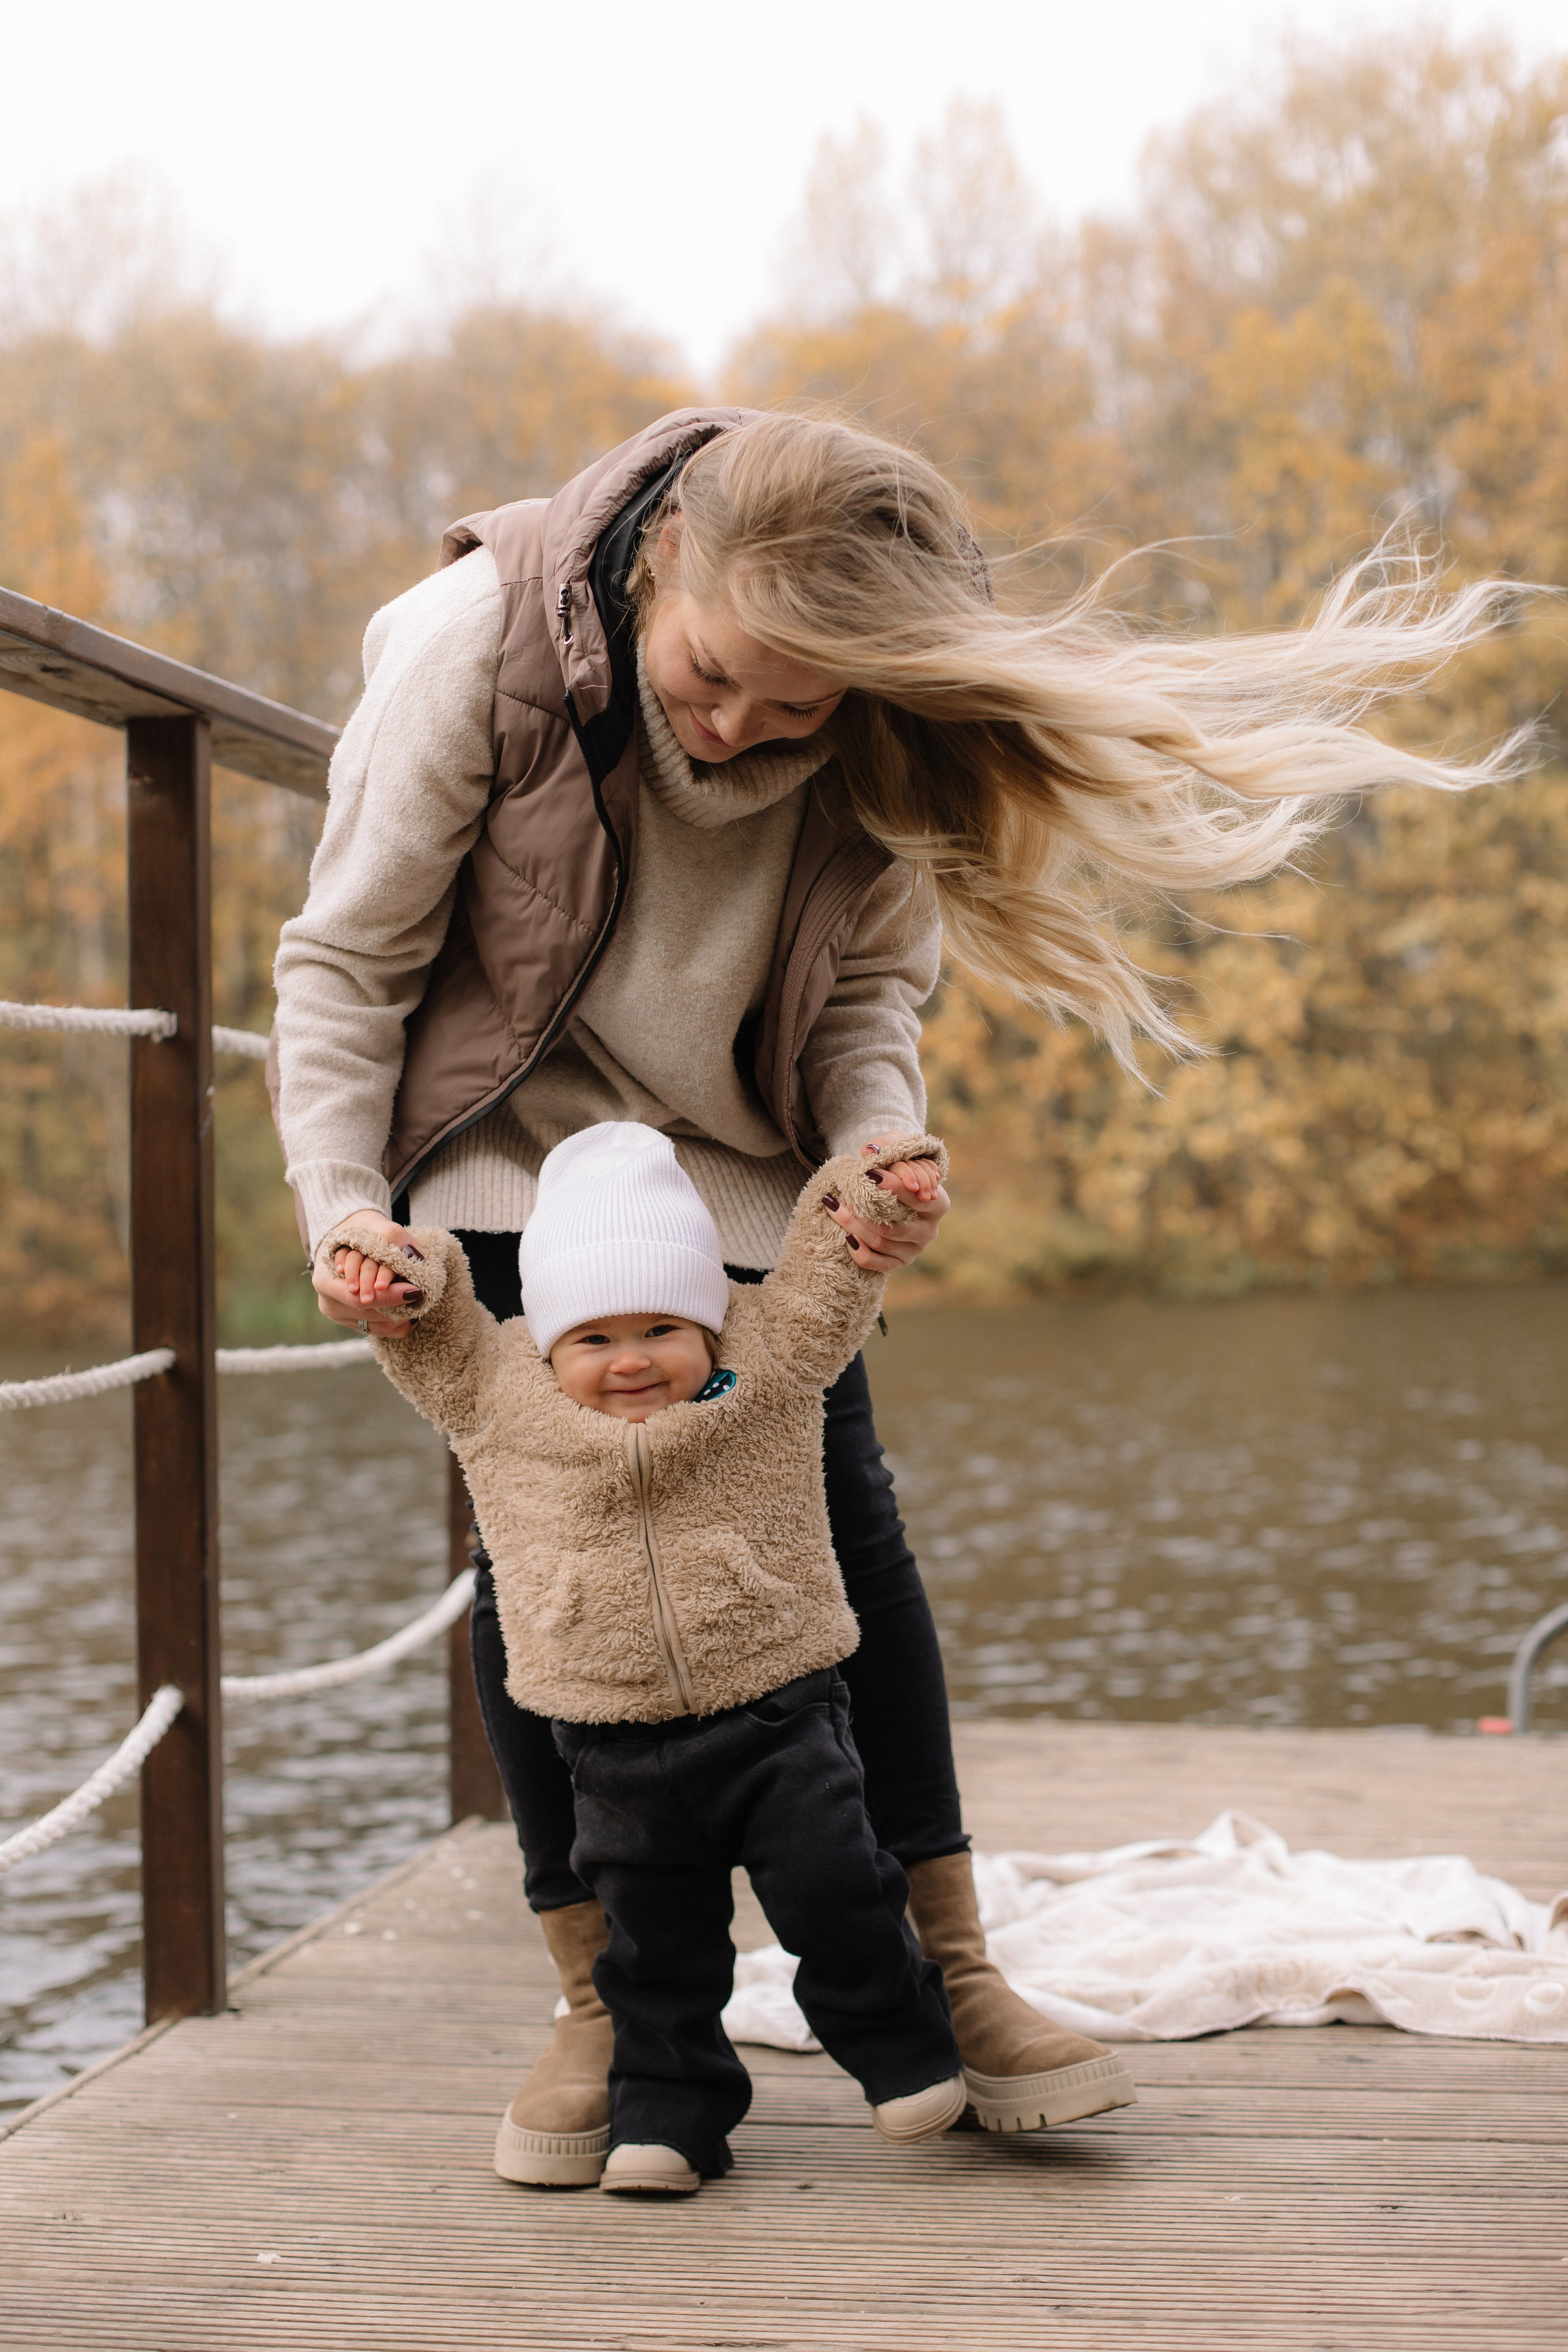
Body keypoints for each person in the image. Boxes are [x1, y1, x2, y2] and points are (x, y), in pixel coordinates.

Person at [272, 404, 1519, 2182]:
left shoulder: (884, 718)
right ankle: (607, 2009)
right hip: (509, 1163)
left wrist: (881, 1147)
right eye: (715, 677)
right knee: (537, 1557)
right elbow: (348, 961)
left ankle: (950, 1970)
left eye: (799, 708)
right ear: (665, 563)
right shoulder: (469, 650)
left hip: (756, 1171)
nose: (740, 729)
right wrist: (339, 1202)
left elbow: (865, 1008)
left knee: (848, 1532)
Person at [336, 1119, 1096, 2195]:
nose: (633, 1359)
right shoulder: (505, 1399)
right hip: (611, 1744)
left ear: (712, 1318)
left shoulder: (766, 1366)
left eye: (662, 1326)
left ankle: (908, 2041)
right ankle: (670, 2115)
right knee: (655, 1949)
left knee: (838, 1885)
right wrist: (389, 1270)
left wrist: (876, 1191)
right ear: (548, 1347)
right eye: (594, 1339)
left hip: (777, 1716)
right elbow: (435, 1338)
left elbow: (829, 1285)